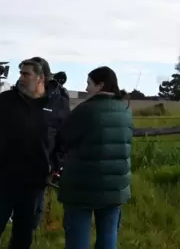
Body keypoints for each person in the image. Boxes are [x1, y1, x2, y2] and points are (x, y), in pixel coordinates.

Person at [0, 57, 71, 249]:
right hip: (1, 179)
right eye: (20, 73)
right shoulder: (6, 100)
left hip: (34, 184)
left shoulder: (59, 104)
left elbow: (64, 142)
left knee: (23, 236)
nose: (21, 78)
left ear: (41, 78)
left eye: (26, 74)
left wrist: (54, 166)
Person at [58, 66, 133, 249]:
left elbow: (63, 140)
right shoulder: (125, 110)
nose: (86, 88)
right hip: (116, 186)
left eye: (88, 83)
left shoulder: (84, 110)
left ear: (100, 85)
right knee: (108, 235)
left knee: (78, 237)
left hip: (82, 186)